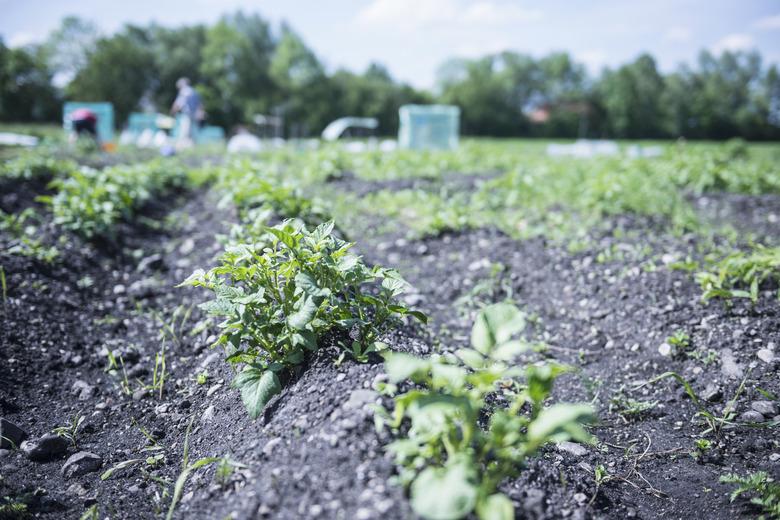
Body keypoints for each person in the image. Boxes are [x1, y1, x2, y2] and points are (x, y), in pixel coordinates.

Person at [170, 77, 203, 148]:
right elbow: (199, 104)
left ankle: (182, 146)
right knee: (193, 130)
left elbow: (178, 103)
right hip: (194, 114)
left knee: (185, 130)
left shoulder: (184, 91)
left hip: (187, 114)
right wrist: (200, 112)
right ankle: (193, 145)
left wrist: (173, 112)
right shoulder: (193, 91)